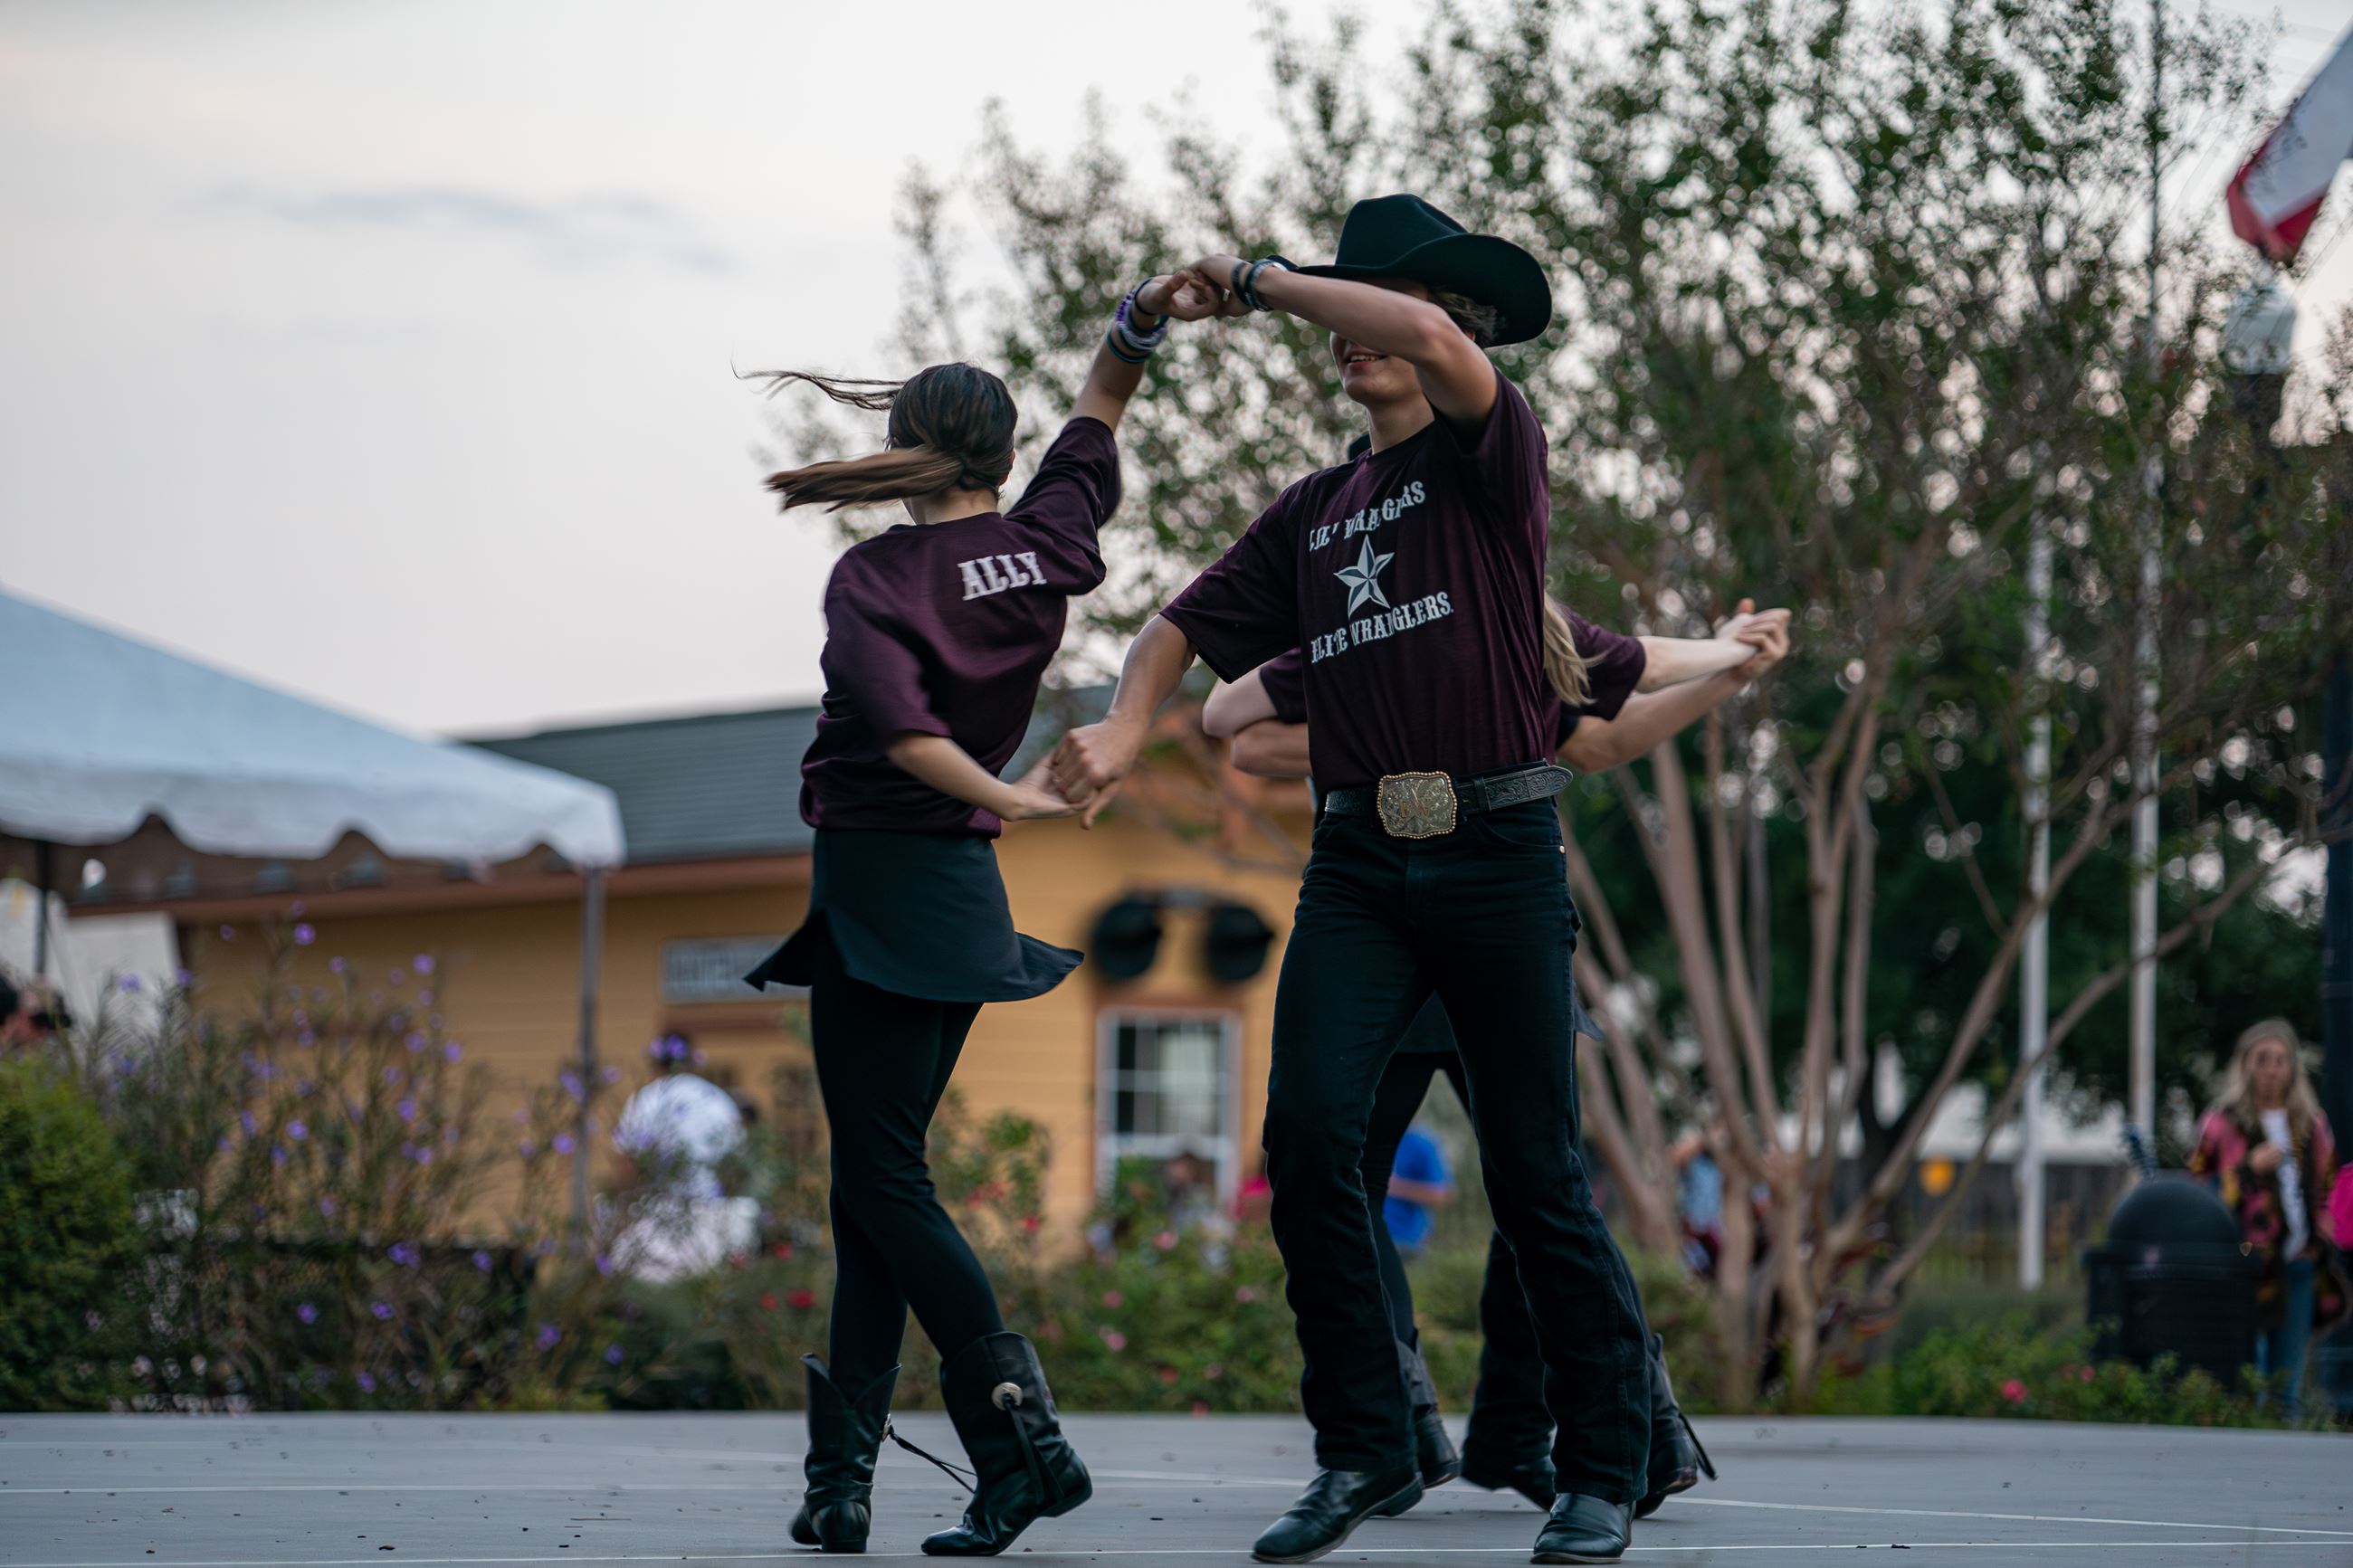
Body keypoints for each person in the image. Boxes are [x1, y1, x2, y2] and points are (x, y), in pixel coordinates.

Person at [1051, 195, 1700, 1564]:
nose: (1353, 339)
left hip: (1500, 855)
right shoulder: (1316, 512)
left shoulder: (1490, 457)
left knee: (1535, 1176)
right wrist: (1122, 721)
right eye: (1347, 314)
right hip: (1360, 864)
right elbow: (1177, 631)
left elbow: (1404, 321)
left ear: (1449, 335)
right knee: (1308, 1147)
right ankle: (1363, 1448)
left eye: (1377, 312)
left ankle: (1600, 1469)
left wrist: (1258, 278)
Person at [743, 268, 1218, 1558]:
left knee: (882, 1177)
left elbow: (904, 743)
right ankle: (838, 1488)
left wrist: (1023, 800)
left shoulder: (877, 579)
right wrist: (1139, 315)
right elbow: (1105, 402)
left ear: (912, 449)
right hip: (953, 896)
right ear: (1005, 455)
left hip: (892, 878)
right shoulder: (1052, 537)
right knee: (870, 1190)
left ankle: (1021, 1446)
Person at [1204, 596, 1785, 1521]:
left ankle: (1528, 1426)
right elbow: (1250, 743)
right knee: (1332, 1177)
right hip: (1379, 929)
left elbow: (1600, 736)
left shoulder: (1505, 619)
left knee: (1543, 1184)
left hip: (1495, 919)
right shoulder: (1364, 608)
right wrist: (1410, 748)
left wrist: (1729, 669)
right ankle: (1402, 1416)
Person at [2189, 1019, 2347, 1420]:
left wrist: (2321, 1239)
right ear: (2245, 1065)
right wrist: (2246, 1169)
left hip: (2298, 1262)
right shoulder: (2222, 1123)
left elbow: (2329, 1188)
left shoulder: (2311, 1123)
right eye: (2262, 1059)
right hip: (2247, 1265)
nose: (2272, 1069)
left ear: (2293, 1067)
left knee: (2287, 1384)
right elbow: (2198, 1191)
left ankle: (2283, 1472)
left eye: (2280, 1060)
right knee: (2250, 1380)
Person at [611, 1034, 759, 1282]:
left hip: (656, 1215)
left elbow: (629, 1164)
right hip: (711, 1213)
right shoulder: (717, 1099)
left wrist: (624, 1212)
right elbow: (736, 1164)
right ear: (693, 1062)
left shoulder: (649, 1098)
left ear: (656, 1064)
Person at [1383, 1118, 1453, 1257]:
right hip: (1369, 1235)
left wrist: (1393, 1186)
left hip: (1404, 1241)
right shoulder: (1370, 1137)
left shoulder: (1422, 1143)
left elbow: (1442, 1194)